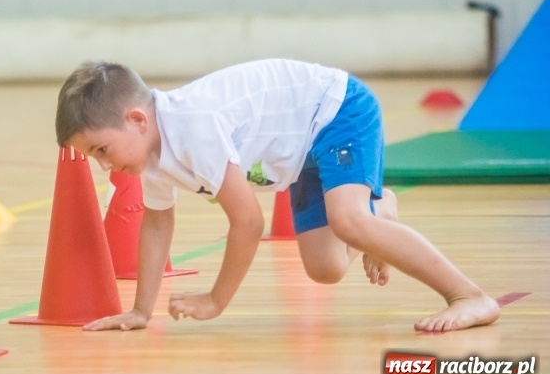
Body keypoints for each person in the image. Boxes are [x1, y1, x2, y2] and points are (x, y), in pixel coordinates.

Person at [55, 59, 500, 333]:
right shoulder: (150, 156)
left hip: (335, 110)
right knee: (325, 268)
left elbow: (248, 222)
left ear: (137, 120)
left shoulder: (192, 127)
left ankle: (468, 295)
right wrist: (141, 310)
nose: (103, 166)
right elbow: (156, 225)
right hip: (298, 152)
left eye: (102, 150)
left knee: (348, 222)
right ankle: (379, 208)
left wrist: (216, 299)